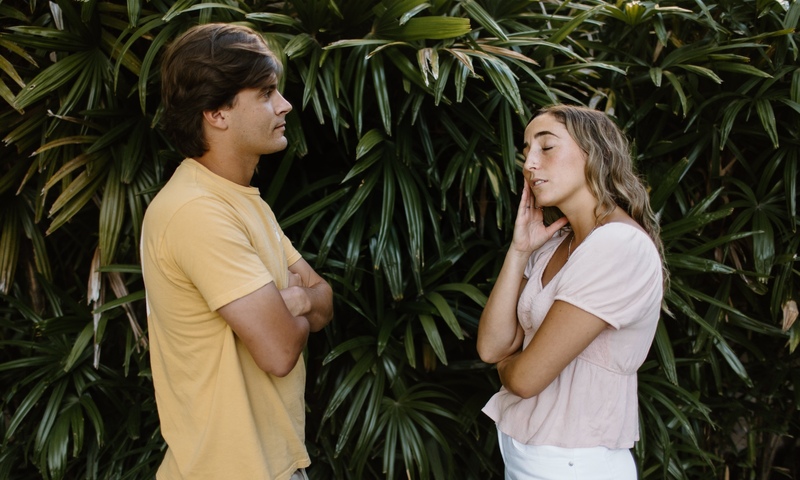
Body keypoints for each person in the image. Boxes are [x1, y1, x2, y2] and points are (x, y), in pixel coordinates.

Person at [141, 23, 333, 480]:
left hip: (270, 463)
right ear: (216, 113)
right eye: (266, 93)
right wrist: (292, 313)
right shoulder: (197, 212)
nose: (285, 104)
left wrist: (300, 301)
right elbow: (280, 349)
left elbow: (323, 297)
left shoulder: (242, 202)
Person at [477, 105, 665, 479]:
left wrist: (512, 367)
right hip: (530, 453)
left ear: (595, 154)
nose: (529, 163)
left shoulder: (617, 246)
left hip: (576, 462)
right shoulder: (555, 244)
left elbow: (525, 379)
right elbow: (492, 347)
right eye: (527, 149)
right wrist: (519, 251)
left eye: (546, 148)